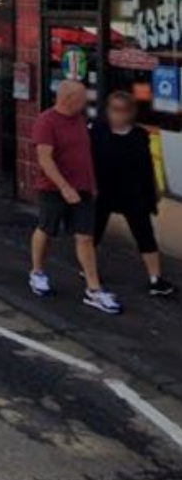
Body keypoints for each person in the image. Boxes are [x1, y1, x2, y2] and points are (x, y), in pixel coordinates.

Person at [29, 80, 122, 314]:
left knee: (85, 237)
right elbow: (45, 159)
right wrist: (63, 187)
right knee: (47, 229)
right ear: (68, 98)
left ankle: (94, 289)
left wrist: (91, 184)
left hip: (83, 188)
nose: (86, 101)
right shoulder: (46, 121)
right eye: (82, 98)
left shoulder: (79, 120)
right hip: (54, 188)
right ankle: (37, 272)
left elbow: (83, 154)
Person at [92, 91, 175, 297]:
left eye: (124, 110)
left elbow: (148, 165)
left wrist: (153, 189)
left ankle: (155, 279)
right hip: (103, 190)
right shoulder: (98, 132)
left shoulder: (139, 135)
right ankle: (90, 270)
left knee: (144, 234)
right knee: (93, 233)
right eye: (115, 110)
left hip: (133, 192)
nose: (119, 115)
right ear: (108, 111)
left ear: (131, 113)